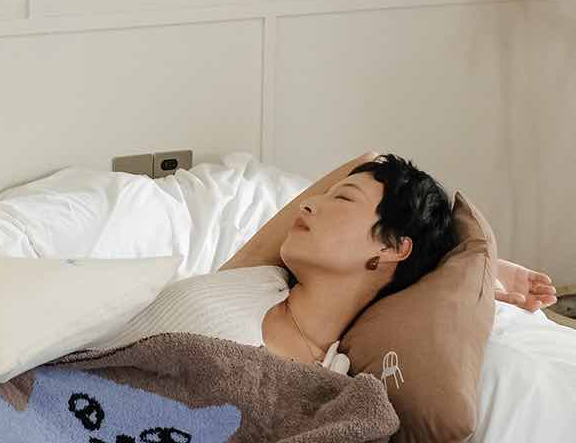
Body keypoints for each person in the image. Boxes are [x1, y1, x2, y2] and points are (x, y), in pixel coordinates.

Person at [218, 150, 557, 368]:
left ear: (393, 248)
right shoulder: (253, 276)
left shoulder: (332, 378)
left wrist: (471, 272)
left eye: (343, 198)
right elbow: (372, 157)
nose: (308, 204)